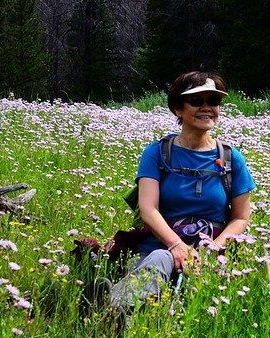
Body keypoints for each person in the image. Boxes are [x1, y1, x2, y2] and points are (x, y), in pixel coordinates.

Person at [106, 71, 256, 311]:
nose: (207, 108)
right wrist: (176, 246)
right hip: (160, 246)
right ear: (178, 109)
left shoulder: (231, 159)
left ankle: (110, 301)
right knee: (160, 260)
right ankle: (112, 308)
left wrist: (211, 251)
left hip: (210, 253)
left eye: (213, 101)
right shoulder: (156, 153)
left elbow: (241, 217)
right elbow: (148, 208)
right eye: (197, 101)